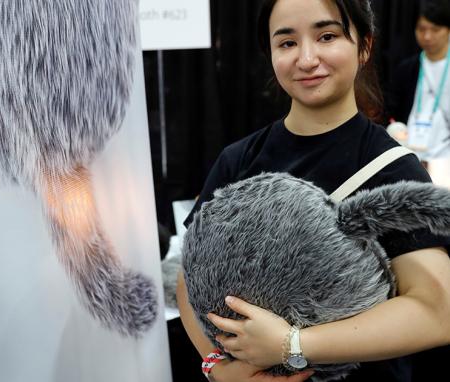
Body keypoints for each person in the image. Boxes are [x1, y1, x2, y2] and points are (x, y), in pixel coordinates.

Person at [176, 0, 450, 381]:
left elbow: (436, 312)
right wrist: (219, 369)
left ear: (364, 46)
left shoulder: (392, 168)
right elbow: (188, 278)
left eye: (327, 36)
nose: (306, 59)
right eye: (287, 43)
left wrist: (293, 344)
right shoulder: (238, 159)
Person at [388, 1, 450, 181]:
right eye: (421, 29)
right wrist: (395, 127)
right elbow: (392, 108)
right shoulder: (407, 68)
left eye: (435, 29)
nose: (427, 36)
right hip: (410, 152)